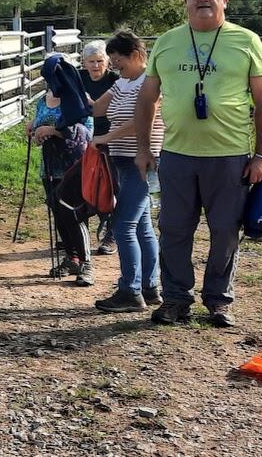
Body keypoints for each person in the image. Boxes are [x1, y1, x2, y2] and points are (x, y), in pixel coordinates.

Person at [136, 0, 262, 328]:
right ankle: (175, 300)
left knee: (225, 231)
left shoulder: (246, 41)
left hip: (229, 157)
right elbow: (147, 98)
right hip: (177, 155)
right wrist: (142, 148)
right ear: (184, 1)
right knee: (174, 230)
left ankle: (218, 300)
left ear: (224, 0)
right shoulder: (167, 42)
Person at [91, 31, 164, 313]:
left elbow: (141, 120)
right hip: (123, 160)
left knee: (123, 225)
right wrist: (68, 87)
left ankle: (130, 291)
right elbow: (96, 108)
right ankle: (149, 287)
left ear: (135, 55)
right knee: (142, 226)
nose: (113, 65)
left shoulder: (152, 81)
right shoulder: (123, 82)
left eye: (117, 59)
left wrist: (106, 138)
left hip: (142, 160)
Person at [26, 53, 96, 285]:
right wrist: (34, 128)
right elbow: (38, 123)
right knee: (58, 213)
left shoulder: (78, 98)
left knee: (74, 214)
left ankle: (87, 263)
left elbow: (86, 133)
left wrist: (54, 131)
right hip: (50, 165)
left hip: (73, 166)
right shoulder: (43, 100)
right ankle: (71, 256)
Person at [79, 41, 120, 256]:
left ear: (107, 62)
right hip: (83, 139)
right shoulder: (79, 79)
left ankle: (111, 235)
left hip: (110, 137)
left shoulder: (115, 81)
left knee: (113, 186)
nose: (96, 66)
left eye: (100, 61)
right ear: (84, 63)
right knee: (85, 184)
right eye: (91, 61)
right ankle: (78, 235)